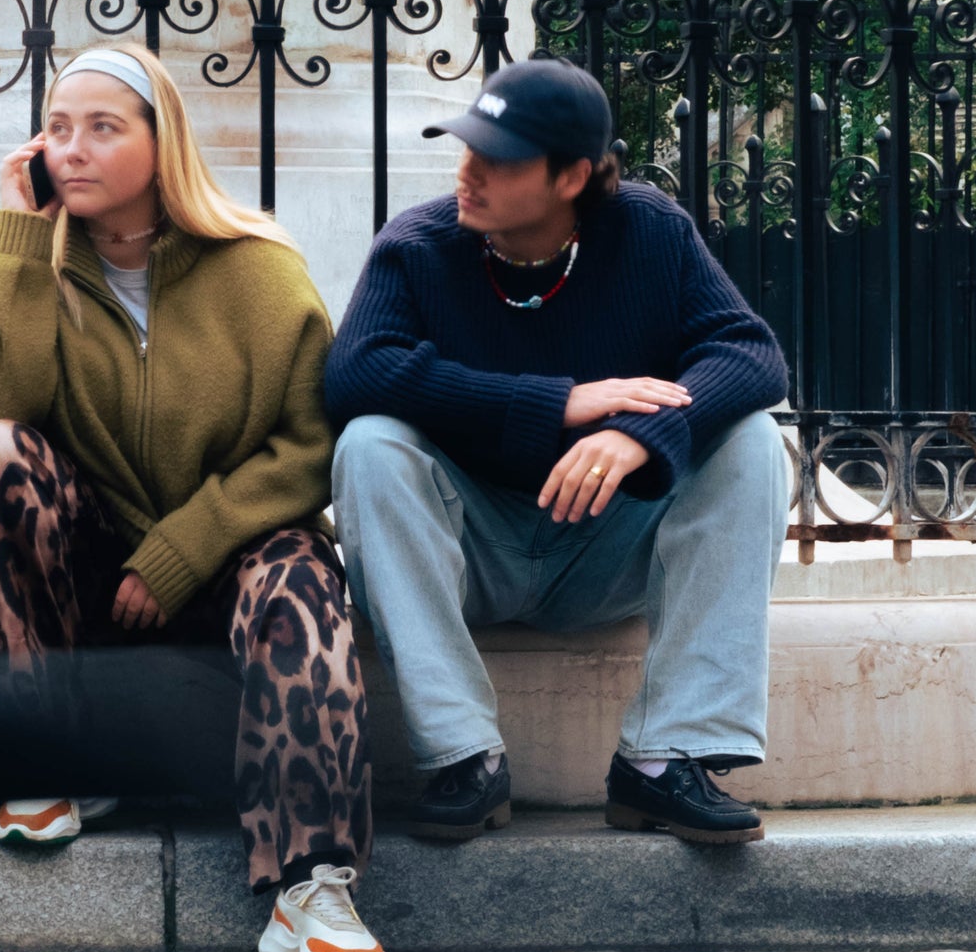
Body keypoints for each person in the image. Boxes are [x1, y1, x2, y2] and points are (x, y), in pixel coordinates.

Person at [0, 44, 384, 952]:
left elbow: (310, 445)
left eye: (104, 127)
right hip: (90, 565)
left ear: (161, 140)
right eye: (59, 129)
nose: (74, 149)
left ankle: (313, 889)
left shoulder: (257, 267)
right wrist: (21, 247)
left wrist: (185, 549)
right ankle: (51, 759)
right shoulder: (9, 257)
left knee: (304, 581)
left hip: (228, 557)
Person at [325, 57, 791, 844]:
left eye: (497, 159)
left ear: (573, 175)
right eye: (464, 147)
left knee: (751, 440)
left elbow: (752, 354)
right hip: (473, 554)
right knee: (370, 446)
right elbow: (353, 375)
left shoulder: (651, 232)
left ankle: (664, 761)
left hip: (605, 553)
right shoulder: (419, 245)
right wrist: (559, 402)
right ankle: (461, 757)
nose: (466, 173)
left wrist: (636, 433)